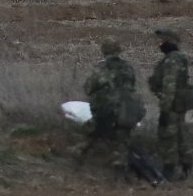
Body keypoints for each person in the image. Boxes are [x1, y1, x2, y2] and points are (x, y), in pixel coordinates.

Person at [82, 38, 143, 179]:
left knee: (90, 135)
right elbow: (132, 86)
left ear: (104, 51)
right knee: (122, 142)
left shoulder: (101, 68)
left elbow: (89, 88)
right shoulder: (128, 68)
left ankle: (76, 164)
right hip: (127, 110)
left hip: (106, 111)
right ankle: (120, 173)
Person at [149, 29, 192, 181]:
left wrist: (165, 109)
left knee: (169, 137)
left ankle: (169, 170)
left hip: (173, 105)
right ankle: (186, 168)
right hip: (179, 104)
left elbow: (169, 86)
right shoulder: (178, 58)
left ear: (168, 42)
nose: (158, 44)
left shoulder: (171, 60)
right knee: (181, 136)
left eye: (161, 41)